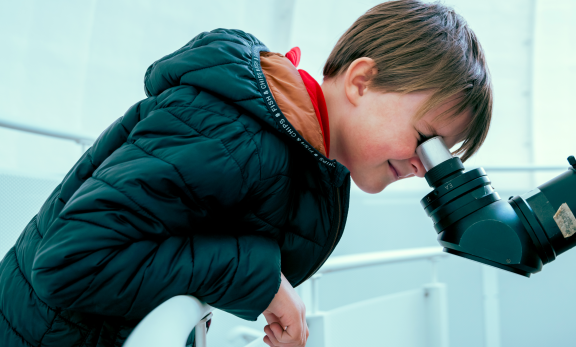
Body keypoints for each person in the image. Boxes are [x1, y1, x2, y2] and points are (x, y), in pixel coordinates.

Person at [0, 1, 491, 346]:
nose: (421, 167)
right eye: (426, 140)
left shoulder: (311, 161)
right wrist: (262, 280)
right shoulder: (232, 131)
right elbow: (70, 263)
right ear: (361, 81)